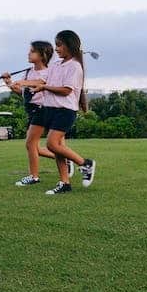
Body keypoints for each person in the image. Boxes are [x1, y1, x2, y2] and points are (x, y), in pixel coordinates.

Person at [30, 29, 96, 195]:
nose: (56, 48)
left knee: (51, 144)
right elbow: (44, 81)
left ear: (69, 45)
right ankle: (64, 182)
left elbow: (66, 90)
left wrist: (44, 87)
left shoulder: (74, 67)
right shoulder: (55, 65)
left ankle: (85, 163)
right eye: (56, 45)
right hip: (51, 110)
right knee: (57, 148)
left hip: (65, 111)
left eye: (59, 45)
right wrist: (25, 85)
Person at [2, 40, 58, 186]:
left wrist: (23, 82)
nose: (29, 53)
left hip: (42, 109)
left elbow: (40, 83)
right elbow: (22, 92)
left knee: (30, 144)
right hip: (31, 110)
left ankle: (34, 176)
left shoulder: (49, 72)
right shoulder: (28, 72)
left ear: (42, 55)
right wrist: (9, 83)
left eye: (32, 51)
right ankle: (63, 159)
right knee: (34, 147)